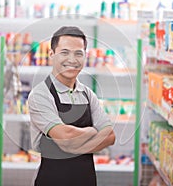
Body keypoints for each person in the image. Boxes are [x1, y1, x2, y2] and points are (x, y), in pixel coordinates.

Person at [28, 26, 116, 186]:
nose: (72, 59)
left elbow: (110, 136)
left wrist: (75, 148)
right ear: (51, 55)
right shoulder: (40, 94)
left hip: (86, 180)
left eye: (78, 53)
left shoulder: (87, 94)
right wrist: (92, 131)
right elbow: (65, 136)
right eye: (64, 52)